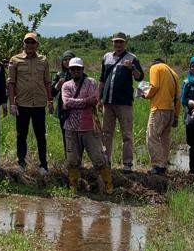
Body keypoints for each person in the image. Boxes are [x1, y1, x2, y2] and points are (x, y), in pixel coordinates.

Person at [60, 57, 113, 193]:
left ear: (83, 69)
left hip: (89, 127)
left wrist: (76, 102)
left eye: (78, 69)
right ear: (69, 70)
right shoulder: (66, 85)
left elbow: (94, 100)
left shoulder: (91, 83)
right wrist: (85, 101)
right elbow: (66, 103)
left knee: (99, 159)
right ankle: (74, 188)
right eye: (73, 69)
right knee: (72, 161)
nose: (75, 71)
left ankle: (108, 187)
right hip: (71, 128)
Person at [7, 32, 52, 172]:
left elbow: (47, 82)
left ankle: (43, 165)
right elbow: (11, 83)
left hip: (39, 104)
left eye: (33, 42)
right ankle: (21, 163)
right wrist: (12, 103)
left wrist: (50, 100)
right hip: (22, 104)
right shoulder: (15, 60)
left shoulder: (43, 60)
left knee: (40, 135)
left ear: (37, 44)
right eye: (28, 42)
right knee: (21, 135)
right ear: (23, 44)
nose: (30, 45)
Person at [99, 33, 143, 171]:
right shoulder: (106, 57)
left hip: (124, 102)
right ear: (112, 42)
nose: (118, 45)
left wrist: (132, 68)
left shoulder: (132, 58)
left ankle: (127, 164)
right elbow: (102, 79)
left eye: (121, 42)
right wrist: (98, 98)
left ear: (125, 43)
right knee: (106, 133)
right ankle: (106, 162)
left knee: (127, 134)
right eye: (116, 42)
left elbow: (139, 77)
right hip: (108, 101)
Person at [142, 56, 180, 176]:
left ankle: (157, 166)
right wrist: (176, 115)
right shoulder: (174, 73)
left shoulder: (155, 67)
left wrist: (145, 94)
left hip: (159, 108)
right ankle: (163, 166)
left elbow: (154, 86)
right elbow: (177, 97)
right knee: (164, 138)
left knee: (151, 136)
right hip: (171, 110)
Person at [51, 50, 74, 162]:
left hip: (78, 110)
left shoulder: (79, 73)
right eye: (65, 59)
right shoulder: (59, 75)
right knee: (65, 134)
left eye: (69, 59)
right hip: (63, 110)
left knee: (78, 136)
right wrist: (58, 85)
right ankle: (68, 158)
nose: (67, 61)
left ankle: (77, 158)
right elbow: (51, 92)